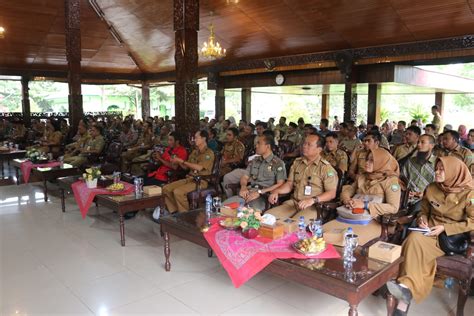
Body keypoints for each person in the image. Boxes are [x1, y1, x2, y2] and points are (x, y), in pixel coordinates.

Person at [387, 156, 474, 315]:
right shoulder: (433, 187)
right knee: (413, 242)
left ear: (454, 173)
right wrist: (422, 219)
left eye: (442, 169)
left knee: (413, 242)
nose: (437, 172)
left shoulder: (469, 194)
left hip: (451, 237)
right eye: (437, 168)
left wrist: (445, 228)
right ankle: (405, 294)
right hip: (429, 230)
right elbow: (424, 209)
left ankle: (404, 292)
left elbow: (473, 221)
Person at [265, 134, 338, 223]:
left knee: (294, 225)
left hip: (314, 206)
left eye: (309, 144)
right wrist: (276, 191)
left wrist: (312, 200)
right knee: (267, 217)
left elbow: (331, 193)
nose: (304, 146)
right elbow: (289, 184)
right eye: (304, 143)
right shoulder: (297, 162)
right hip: (294, 203)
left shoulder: (326, 168)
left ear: (319, 149)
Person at [223, 134, 286, 210]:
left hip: (264, 196)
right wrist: (243, 187)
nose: (256, 146)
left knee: (246, 213)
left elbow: (280, 184)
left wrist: (260, 192)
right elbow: (245, 177)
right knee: (224, 207)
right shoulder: (255, 161)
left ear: (268, 146)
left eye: (259, 143)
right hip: (249, 192)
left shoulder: (278, 163)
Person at [162, 130, 215, 213]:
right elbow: (185, 167)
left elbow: (199, 168)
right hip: (189, 178)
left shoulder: (209, 153)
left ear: (204, 139)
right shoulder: (194, 152)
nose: (194, 140)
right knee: (166, 189)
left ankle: (185, 215)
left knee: (178, 192)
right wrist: (177, 161)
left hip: (200, 181)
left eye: (197, 138)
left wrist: (182, 161)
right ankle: (174, 212)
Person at [340, 148, 401, 218]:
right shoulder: (363, 176)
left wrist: (365, 205)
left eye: (372, 160)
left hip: (374, 219)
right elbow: (349, 190)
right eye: (367, 159)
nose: (366, 163)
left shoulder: (390, 181)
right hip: (353, 214)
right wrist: (348, 200)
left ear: (381, 163)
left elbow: (393, 208)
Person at [400, 134, 437, 213]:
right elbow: (401, 179)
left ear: (431, 145)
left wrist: (425, 194)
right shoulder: (411, 161)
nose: (419, 145)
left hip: (426, 199)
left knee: (417, 209)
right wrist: (404, 190)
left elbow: (439, 187)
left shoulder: (437, 164)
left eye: (422, 142)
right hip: (407, 196)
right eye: (418, 142)